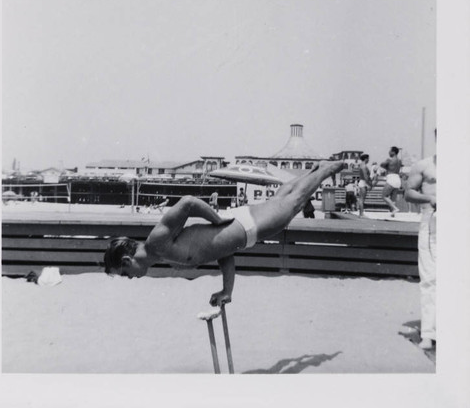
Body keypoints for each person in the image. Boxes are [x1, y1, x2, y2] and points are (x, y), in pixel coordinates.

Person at [104, 161, 345, 306]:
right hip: (241, 228)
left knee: (295, 202)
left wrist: (217, 219)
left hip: (243, 226)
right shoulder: (161, 254)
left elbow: (188, 202)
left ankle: (325, 170)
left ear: (128, 260)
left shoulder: (156, 242)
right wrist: (226, 291)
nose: (130, 278)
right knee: (283, 198)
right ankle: (314, 170)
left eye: (125, 273)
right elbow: (223, 251)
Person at [405, 146, 436, 350]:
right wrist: (429, 198)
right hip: (432, 220)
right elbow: (408, 193)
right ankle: (428, 334)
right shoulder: (424, 165)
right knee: (430, 278)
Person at [380, 146, 403, 216]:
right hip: (397, 179)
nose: (389, 152)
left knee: (384, 196)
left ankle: (395, 208)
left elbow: (381, 165)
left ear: (393, 152)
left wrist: (387, 167)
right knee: (393, 198)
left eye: (390, 151)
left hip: (391, 178)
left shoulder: (389, 160)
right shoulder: (399, 161)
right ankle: (393, 213)